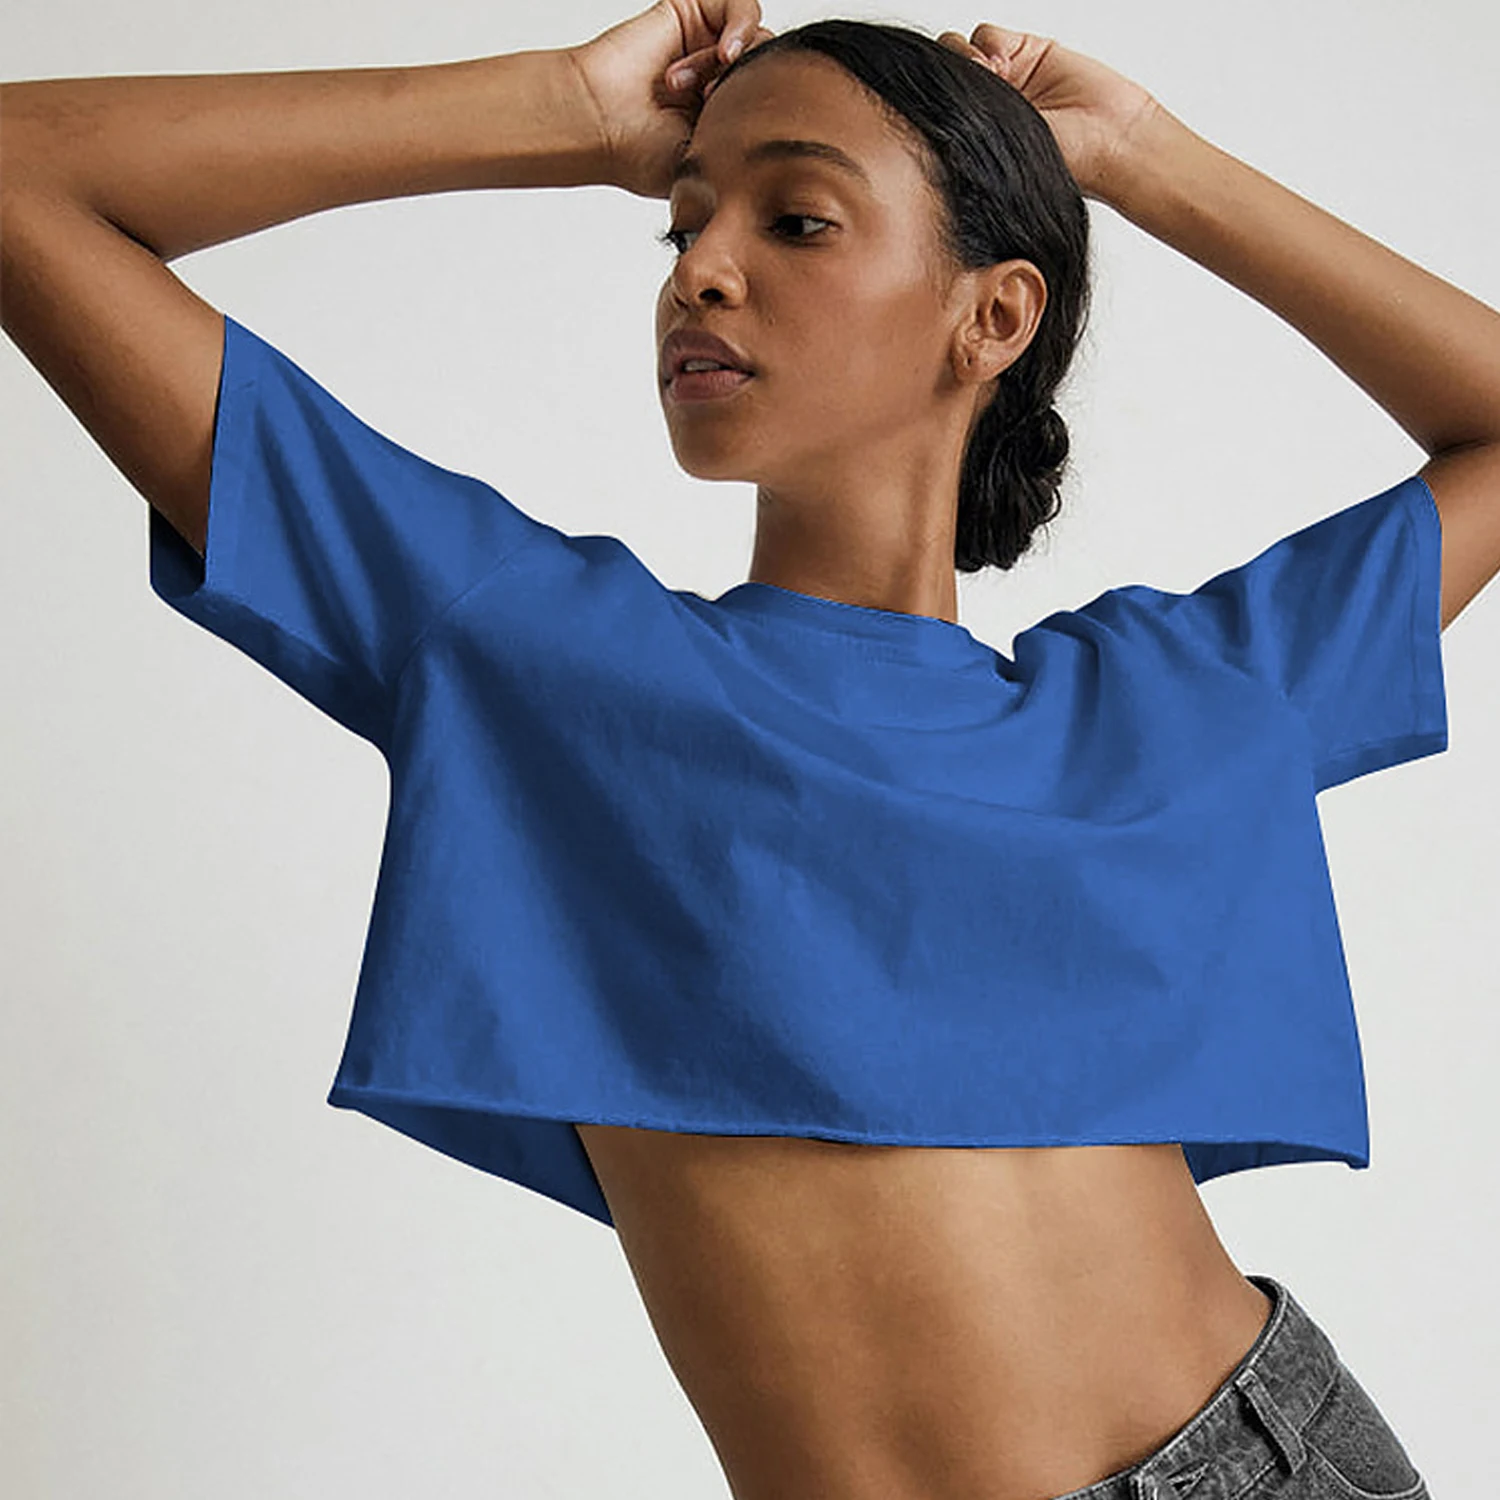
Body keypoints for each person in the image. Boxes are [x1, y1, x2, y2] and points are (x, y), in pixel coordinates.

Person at [4, 4, 1496, 1496]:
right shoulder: (528, 654)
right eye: (683, 225)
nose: (700, 270)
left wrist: (1147, 160)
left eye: (796, 219)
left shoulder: (1175, 699)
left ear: (994, 318)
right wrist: (559, 111)